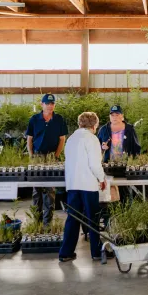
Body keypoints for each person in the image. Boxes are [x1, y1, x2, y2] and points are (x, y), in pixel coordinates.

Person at [59, 111, 106, 262]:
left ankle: (66, 253)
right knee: (93, 218)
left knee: (72, 218)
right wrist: (102, 178)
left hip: (73, 184)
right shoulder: (92, 139)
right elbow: (94, 164)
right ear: (94, 125)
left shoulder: (71, 139)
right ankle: (96, 252)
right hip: (88, 185)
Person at [26, 94, 67, 226]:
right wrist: (32, 155)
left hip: (52, 157)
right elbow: (30, 139)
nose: (50, 106)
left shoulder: (59, 119)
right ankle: (36, 221)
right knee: (37, 190)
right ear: (41, 104)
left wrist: (56, 155)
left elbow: (62, 139)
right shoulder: (34, 119)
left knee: (49, 190)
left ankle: (47, 222)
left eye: (52, 103)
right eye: (47, 103)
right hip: (37, 156)